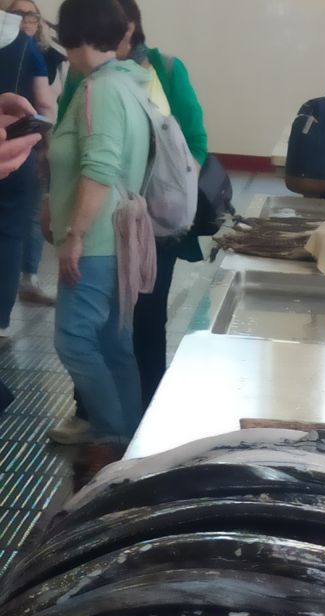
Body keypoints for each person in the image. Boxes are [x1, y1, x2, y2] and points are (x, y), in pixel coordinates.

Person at [48, 0, 151, 453]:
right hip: (119, 235)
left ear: (73, 33)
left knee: (74, 339)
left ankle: (111, 433)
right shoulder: (129, 82)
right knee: (113, 342)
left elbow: (100, 167)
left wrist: (75, 235)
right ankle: (129, 437)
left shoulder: (99, 90)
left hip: (98, 239)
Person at [116, 0, 207, 410]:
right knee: (102, 317)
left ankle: (148, 405)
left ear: (130, 26)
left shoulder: (165, 69)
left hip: (158, 222)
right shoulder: (88, 73)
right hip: (107, 216)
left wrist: (176, 192)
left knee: (149, 314)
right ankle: (91, 409)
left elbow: (196, 139)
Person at [0, 1, 52, 332]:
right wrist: (45, 147)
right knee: (10, 236)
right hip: (18, 149)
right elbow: (44, 103)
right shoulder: (26, 48)